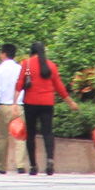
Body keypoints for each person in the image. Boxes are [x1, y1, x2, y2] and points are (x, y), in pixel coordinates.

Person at [18, 41, 74, 175]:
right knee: (47, 132)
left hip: (30, 103)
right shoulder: (51, 65)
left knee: (30, 134)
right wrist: (69, 101)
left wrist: (14, 102)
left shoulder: (27, 64)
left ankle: (33, 165)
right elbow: (59, 86)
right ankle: (49, 160)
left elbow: (20, 82)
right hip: (47, 103)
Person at [0, 44, 27, 173]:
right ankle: (20, 165)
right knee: (20, 137)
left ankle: (1, 166)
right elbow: (23, 87)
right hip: (18, 106)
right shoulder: (21, 69)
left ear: (4, 54)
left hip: (3, 106)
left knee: (1, 137)